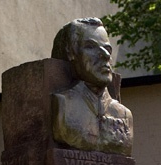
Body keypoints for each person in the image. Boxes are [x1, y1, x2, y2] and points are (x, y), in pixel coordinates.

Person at [51, 17, 133, 155]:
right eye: (91, 47)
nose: (106, 55)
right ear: (71, 53)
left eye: (108, 49)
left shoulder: (124, 115)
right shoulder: (63, 104)